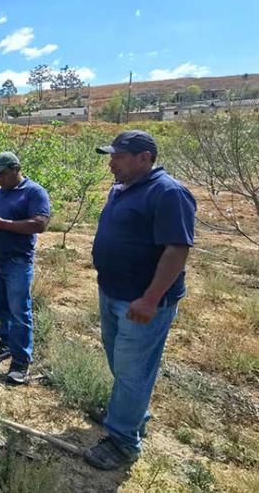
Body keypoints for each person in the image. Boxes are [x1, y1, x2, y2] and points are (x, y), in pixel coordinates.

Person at [84, 130, 196, 470]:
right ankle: (131, 413)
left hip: (142, 302)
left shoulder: (169, 193)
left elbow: (177, 250)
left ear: (144, 157)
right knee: (121, 363)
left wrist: (150, 298)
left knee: (133, 372)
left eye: (118, 156)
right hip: (113, 293)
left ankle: (122, 442)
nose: (111, 163)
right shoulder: (121, 190)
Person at [0, 152, 50, 385]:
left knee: (19, 309)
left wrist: (2, 224)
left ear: (16, 169)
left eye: (2, 173)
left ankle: (21, 360)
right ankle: (7, 340)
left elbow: (40, 224)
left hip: (17, 260)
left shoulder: (34, 192)